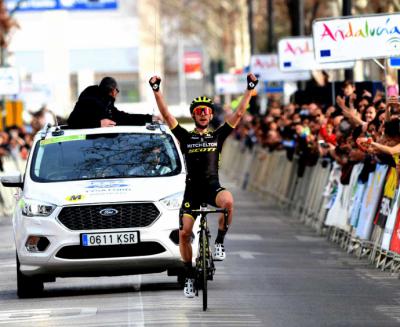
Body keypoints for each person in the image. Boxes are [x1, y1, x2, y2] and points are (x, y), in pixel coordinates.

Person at [149, 72, 258, 298]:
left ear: (210, 116)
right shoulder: (185, 137)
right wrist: (156, 90)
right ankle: (189, 274)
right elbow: (166, 114)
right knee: (184, 234)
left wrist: (249, 88)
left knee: (228, 201)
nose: (203, 115)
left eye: (206, 111)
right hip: (192, 191)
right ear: (193, 116)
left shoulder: (218, 135)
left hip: (212, 187)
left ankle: (219, 241)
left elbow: (239, 112)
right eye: (199, 112)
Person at [67, 77, 152, 129]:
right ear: (113, 91)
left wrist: (150, 118)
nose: (117, 94)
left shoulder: (106, 105)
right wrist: (98, 123)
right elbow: (72, 121)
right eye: (117, 90)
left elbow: (124, 117)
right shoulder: (90, 100)